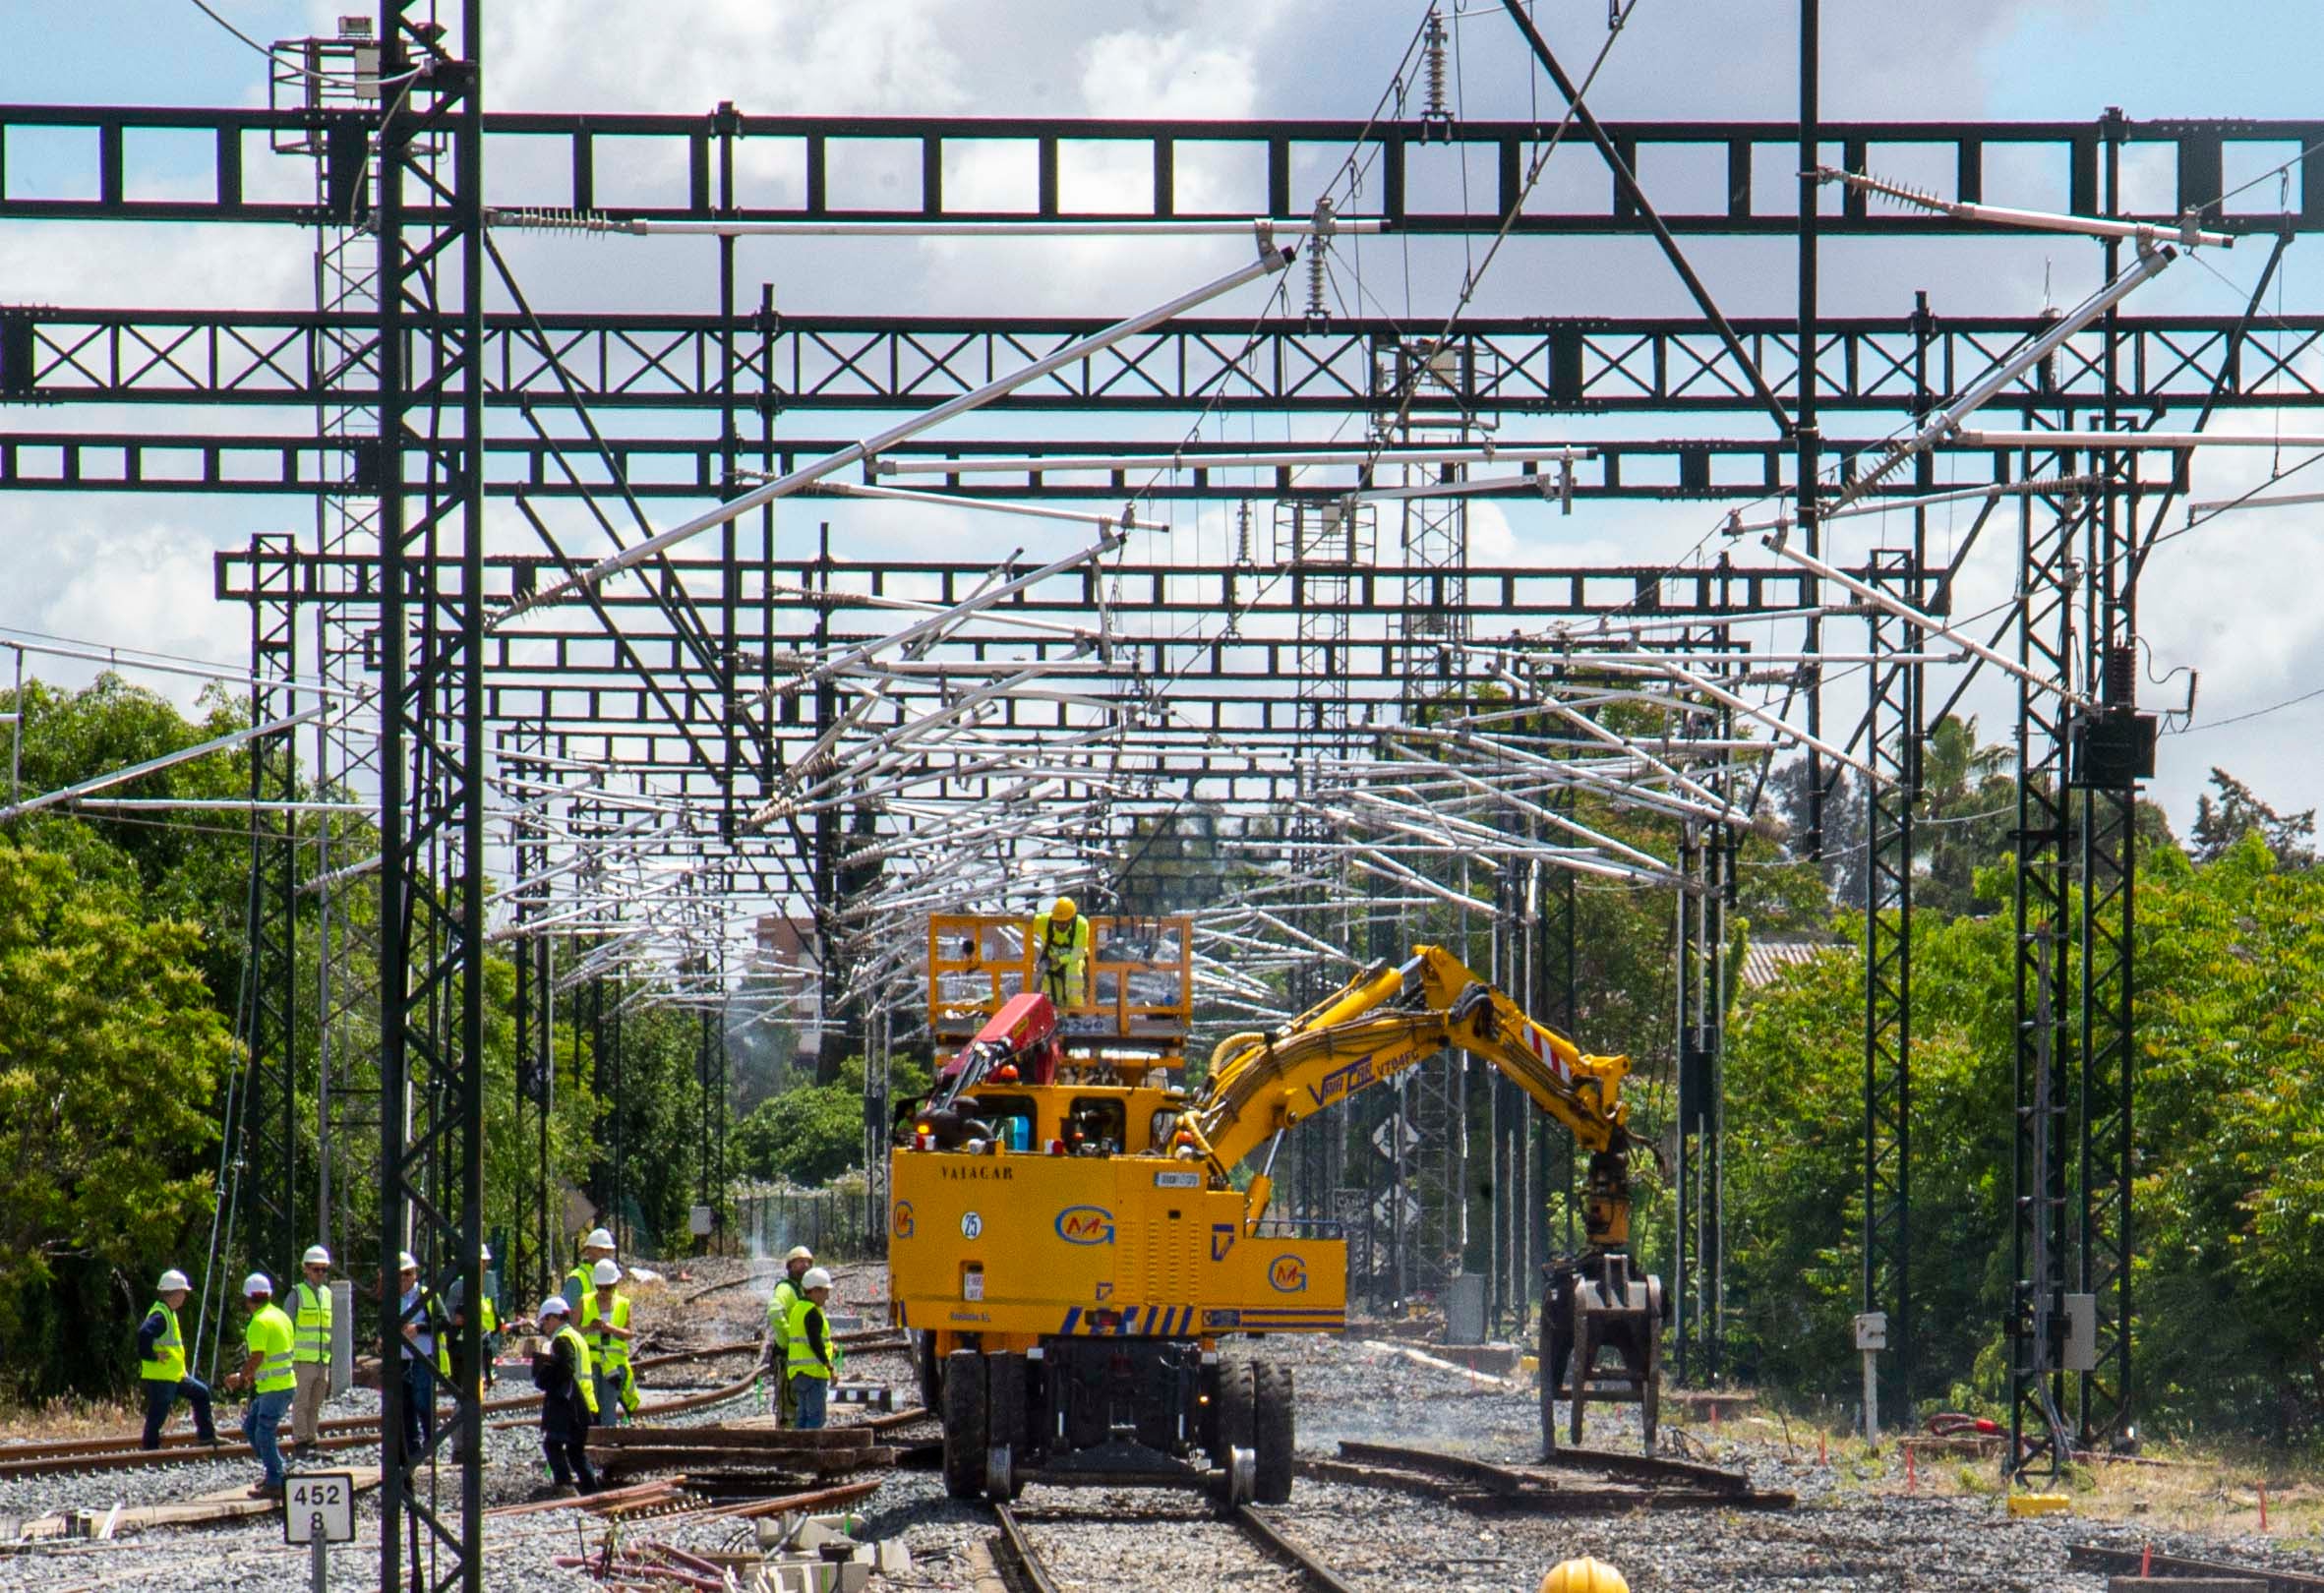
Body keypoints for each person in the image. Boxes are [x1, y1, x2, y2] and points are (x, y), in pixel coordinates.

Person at [222, 1272, 296, 1498]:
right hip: (279, 1385)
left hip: (274, 1388)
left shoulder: (259, 1322)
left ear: (247, 1299)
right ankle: (276, 1470)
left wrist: (240, 1376)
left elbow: (258, 1357)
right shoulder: (280, 1316)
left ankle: (275, 1479)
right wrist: (250, 1377)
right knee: (251, 1428)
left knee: (263, 1433)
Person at [136, 1268, 218, 1450]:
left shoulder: (167, 1312)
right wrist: (152, 1355)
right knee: (158, 1413)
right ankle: (150, 1447)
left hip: (174, 1375)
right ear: (173, 1294)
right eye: (182, 1292)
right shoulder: (160, 1315)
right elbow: (143, 1334)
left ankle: (206, 1436)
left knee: (201, 1393)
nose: (184, 1296)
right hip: (161, 1375)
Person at [530, 1299, 598, 1496]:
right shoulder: (576, 1336)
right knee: (575, 1453)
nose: (544, 1326)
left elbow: (566, 1367)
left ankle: (565, 1486)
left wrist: (545, 1376)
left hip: (570, 1405)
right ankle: (591, 1490)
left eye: (545, 1321)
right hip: (583, 1403)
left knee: (552, 1445)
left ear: (554, 1318)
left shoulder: (562, 1339)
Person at [440, 1244, 500, 1461]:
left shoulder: (484, 1289)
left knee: (476, 1399)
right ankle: (460, 1448)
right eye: (480, 1264)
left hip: (479, 1350)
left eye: (485, 1265)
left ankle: (471, 1446)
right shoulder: (459, 1288)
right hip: (463, 1352)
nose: (483, 1269)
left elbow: (489, 1322)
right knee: (464, 1400)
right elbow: (450, 1319)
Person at [392, 1251, 442, 1463]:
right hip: (401, 1360)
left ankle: (431, 1447)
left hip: (424, 1359)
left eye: (408, 1273)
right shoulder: (391, 1298)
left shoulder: (426, 1295)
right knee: (405, 1408)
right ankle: (412, 1452)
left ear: (414, 1274)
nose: (404, 1278)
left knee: (424, 1404)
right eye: (400, 1274)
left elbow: (443, 1322)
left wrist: (419, 1328)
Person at [577, 1259, 638, 1424]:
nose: (603, 1291)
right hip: (591, 1362)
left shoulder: (623, 1304)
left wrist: (610, 1329)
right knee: (590, 1405)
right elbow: (574, 1329)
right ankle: (592, 1441)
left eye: (608, 1287)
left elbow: (629, 1333)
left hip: (613, 1364)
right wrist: (590, 1328)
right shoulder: (585, 1301)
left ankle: (606, 1440)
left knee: (608, 1405)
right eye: (600, 1287)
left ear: (615, 1284)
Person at [784, 1267, 844, 1430]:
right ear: (814, 1291)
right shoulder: (813, 1312)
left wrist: (831, 1347)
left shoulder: (798, 1309)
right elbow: (815, 1343)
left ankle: (798, 1452)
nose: (827, 1296)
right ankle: (811, 1453)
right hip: (813, 1374)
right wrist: (829, 1366)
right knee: (816, 1419)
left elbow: (806, 1339)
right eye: (825, 1291)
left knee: (802, 1416)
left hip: (798, 1373)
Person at [760, 1245, 814, 1425]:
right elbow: (775, 1311)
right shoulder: (786, 1288)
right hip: (787, 1357)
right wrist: (788, 1337)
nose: (805, 1265)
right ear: (790, 1266)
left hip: (799, 1359)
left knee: (800, 1406)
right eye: (800, 1262)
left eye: (808, 1262)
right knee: (788, 1407)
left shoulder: (802, 1291)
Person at [288, 1244, 333, 1455]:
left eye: (324, 1269)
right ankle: (300, 1442)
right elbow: (287, 1325)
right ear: (306, 1269)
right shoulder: (297, 1293)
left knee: (315, 1403)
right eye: (316, 1269)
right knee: (301, 1402)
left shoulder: (327, 1294)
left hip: (322, 1360)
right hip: (303, 1360)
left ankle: (312, 1439)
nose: (320, 1274)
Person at [1035, 896, 1091, 1009]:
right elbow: (1021, 922)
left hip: (1073, 962)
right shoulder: (1044, 921)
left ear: (1071, 919)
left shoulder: (1081, 924)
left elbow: (1078, 954)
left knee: (1073, 970)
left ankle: (1076, 1010)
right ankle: (1049, 1010)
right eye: (1057, 922)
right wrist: (1024, 917)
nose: (1060, 925)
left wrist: (1059, 960)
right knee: (1048, 986)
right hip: (1051, 965)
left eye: (1064, 923)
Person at [561, 1227, 617, 1315]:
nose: (605, 1254)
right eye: (601, 1249)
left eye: (608, 1250)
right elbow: (567, 1313)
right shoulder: (577, 1277)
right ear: (588, 1251)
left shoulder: (612, 1274)